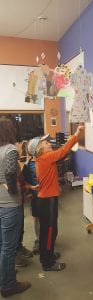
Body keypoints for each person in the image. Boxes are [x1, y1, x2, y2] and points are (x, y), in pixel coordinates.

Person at [28, 125, 84, 271]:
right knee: (50, 231)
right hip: (48, 201)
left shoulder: (42, 159)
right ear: (39, 150)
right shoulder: (45, 158)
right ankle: (47, 263)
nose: (49, 143)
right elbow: (64, 150)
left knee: (48, 230)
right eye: (46, 143)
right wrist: (77, 134)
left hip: (45, 199)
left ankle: (47, 255)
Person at [0, 117, 31, 298]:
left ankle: (5, 275)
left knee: (2, 245)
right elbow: (11, 171)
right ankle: (8, 285)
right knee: (9, 247)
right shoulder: (10, 149)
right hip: (10, 205)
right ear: (9, 131)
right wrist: (12, 189)